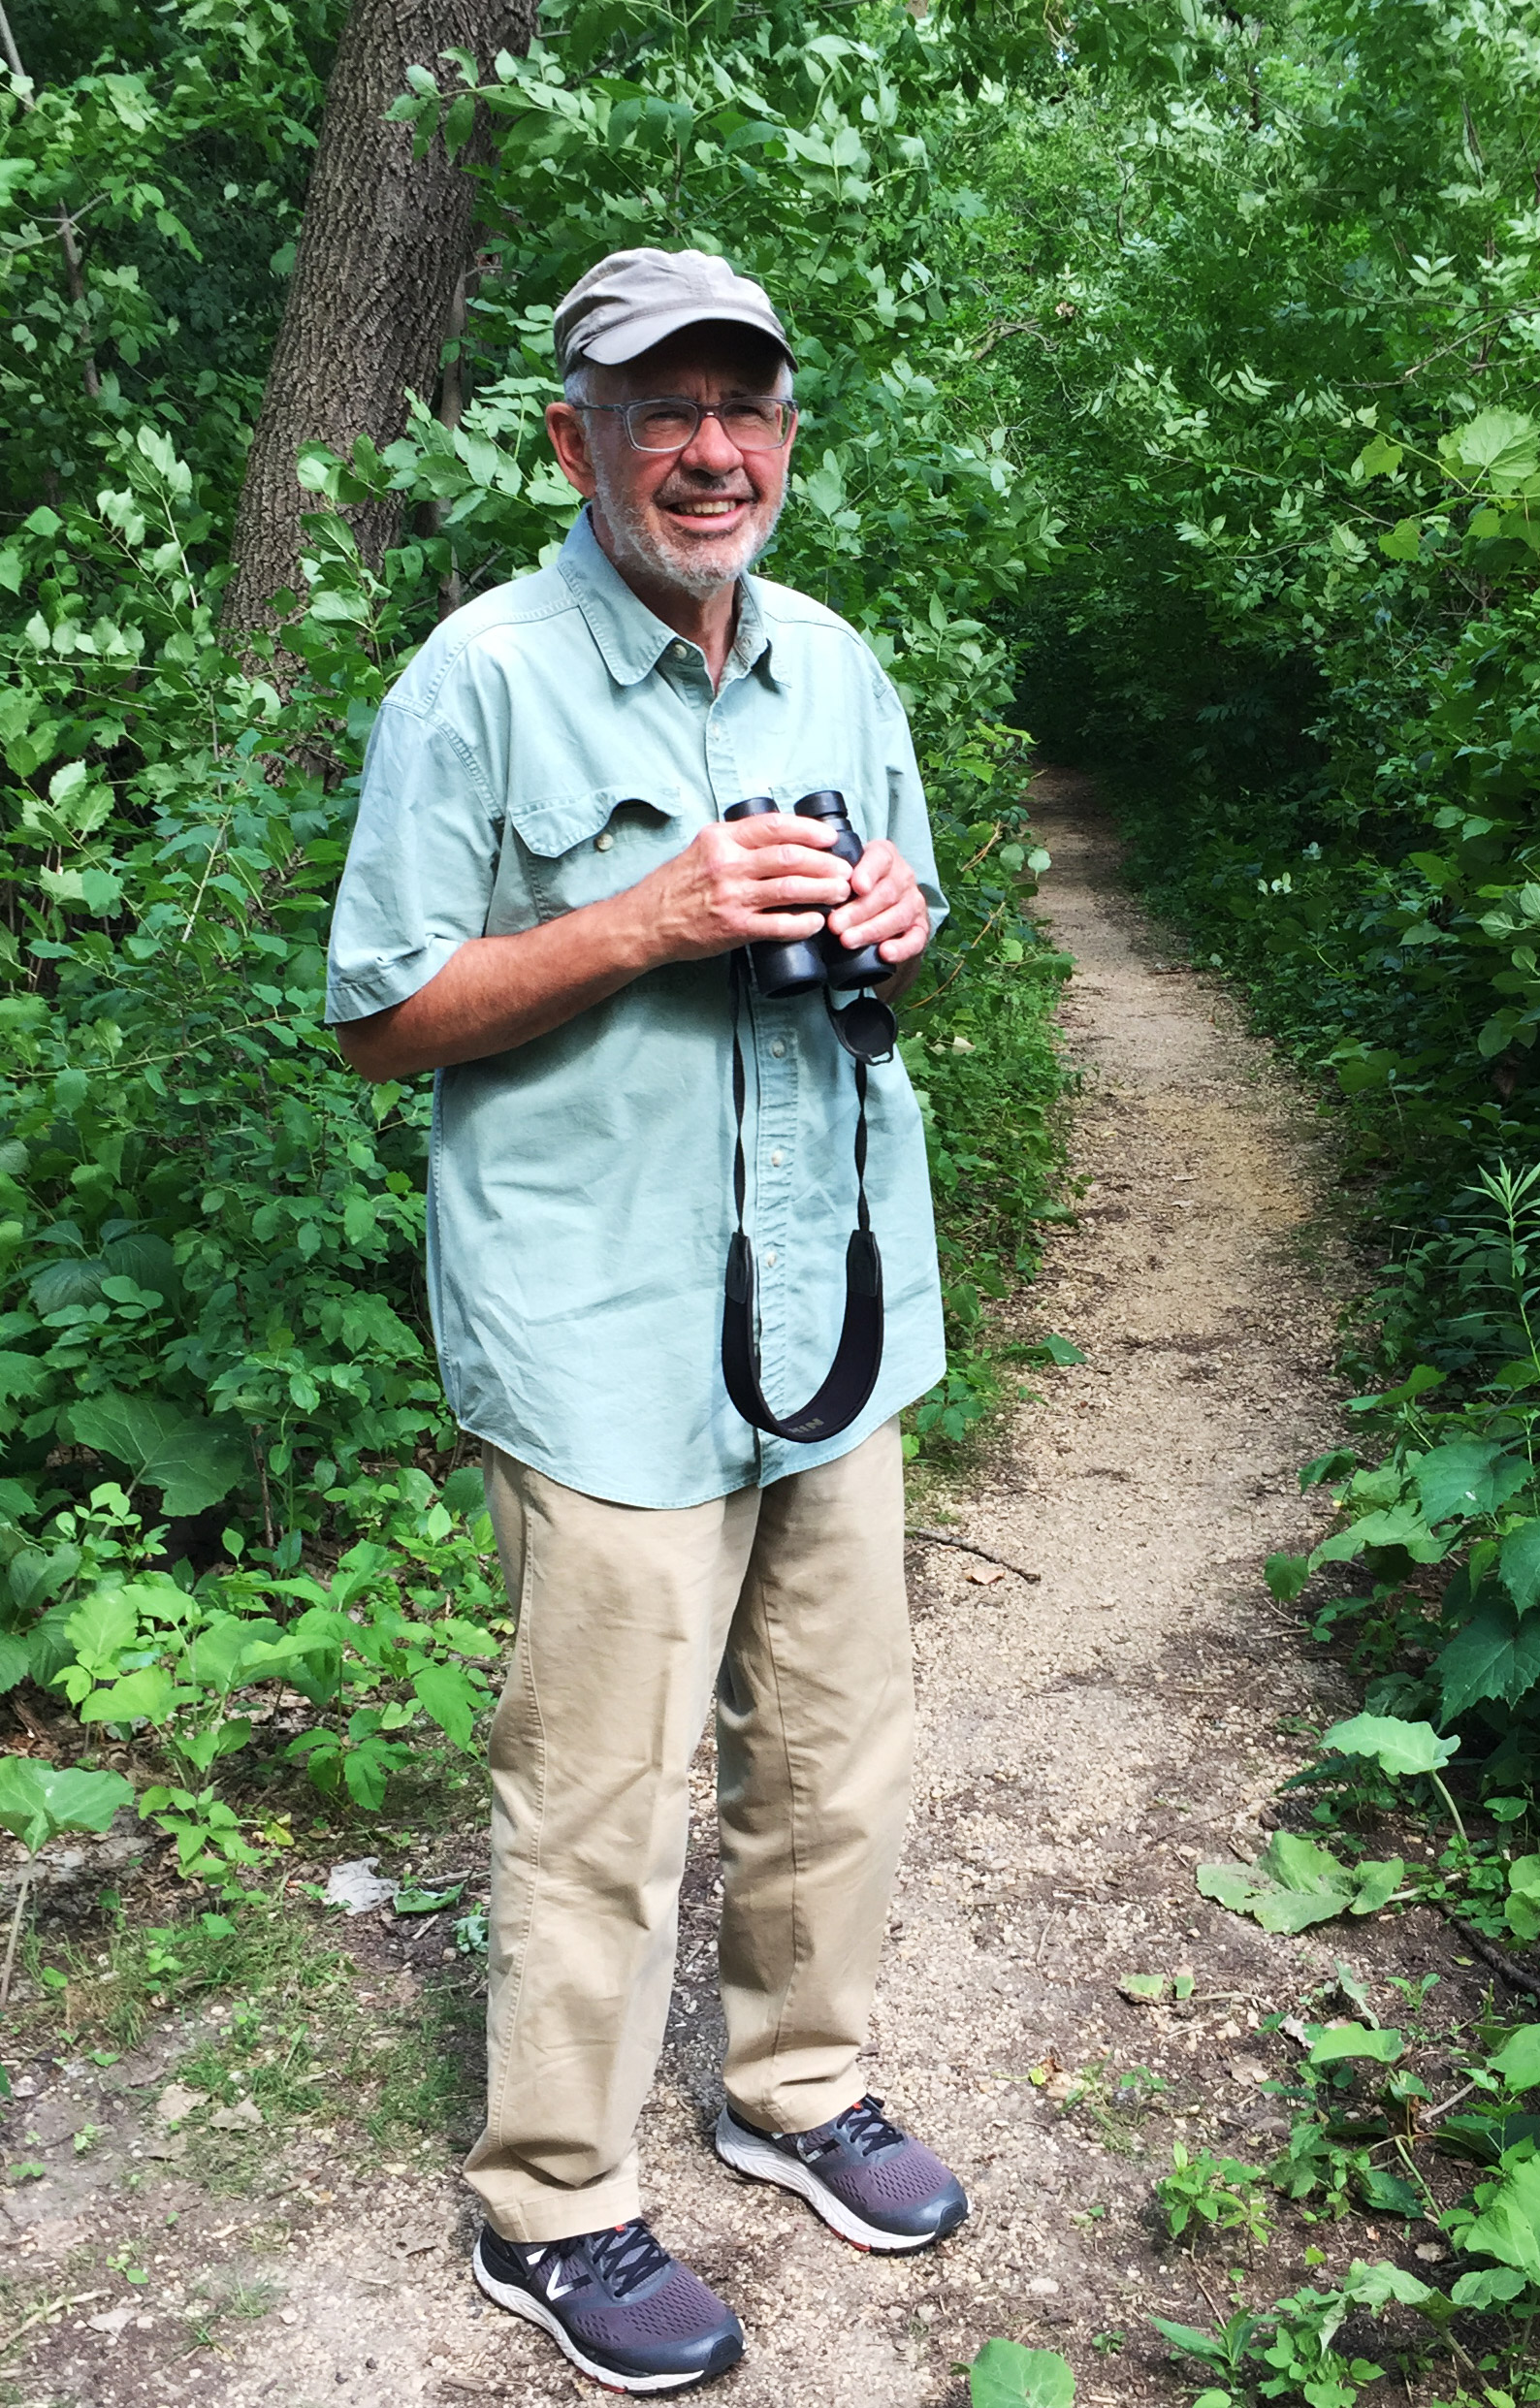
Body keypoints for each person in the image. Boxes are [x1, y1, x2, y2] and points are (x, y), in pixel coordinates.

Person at [325, 246, 968, 2394]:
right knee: (596, 1788)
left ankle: (795, 2087)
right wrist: (643, 921)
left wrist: (892, 907)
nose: (712, 451)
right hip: (597, 1330)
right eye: (661, 410)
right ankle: (556, 2209)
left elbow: (917, 907)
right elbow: (386, 1019)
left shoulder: (839, 670)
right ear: (571, 439)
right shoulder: (481, 680)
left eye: (746, 410)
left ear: (785, 435)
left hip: (836, 1299)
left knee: (841, 1743)